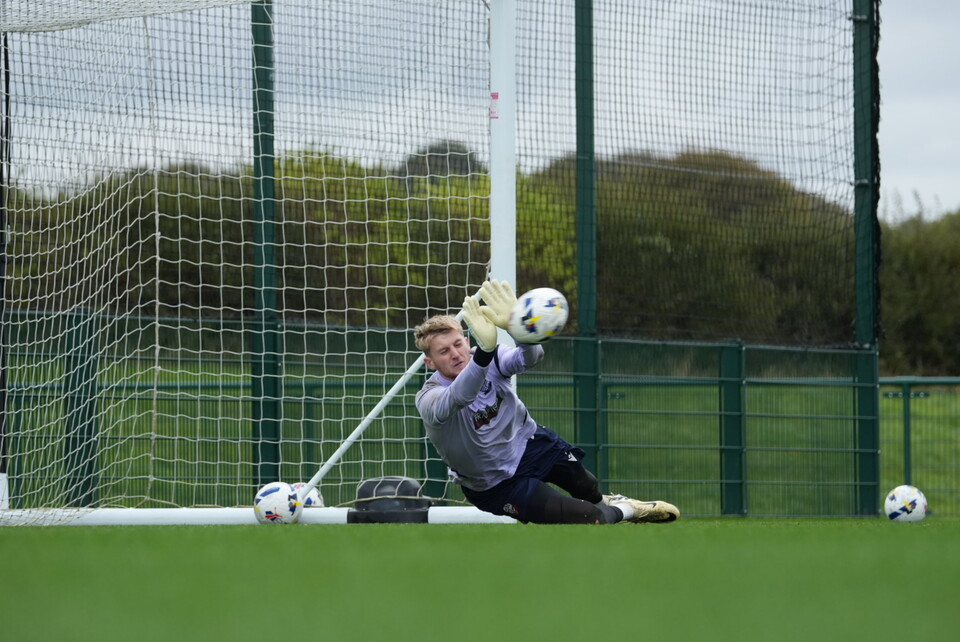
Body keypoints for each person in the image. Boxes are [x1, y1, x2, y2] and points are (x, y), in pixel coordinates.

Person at [413, 279, 680, 525]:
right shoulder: (429, 398)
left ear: (467, 339)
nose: (456, 354)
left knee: (587, 486)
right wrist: (483, 353)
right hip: (496, 484)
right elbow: (461, 394)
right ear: (430, 362)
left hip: (529, 443)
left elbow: (531, 358)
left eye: (458, 344)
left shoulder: (487, 356)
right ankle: (632, 510)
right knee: (589, 518)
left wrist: (518, 328)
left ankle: (607, 502)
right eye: (444, 351)